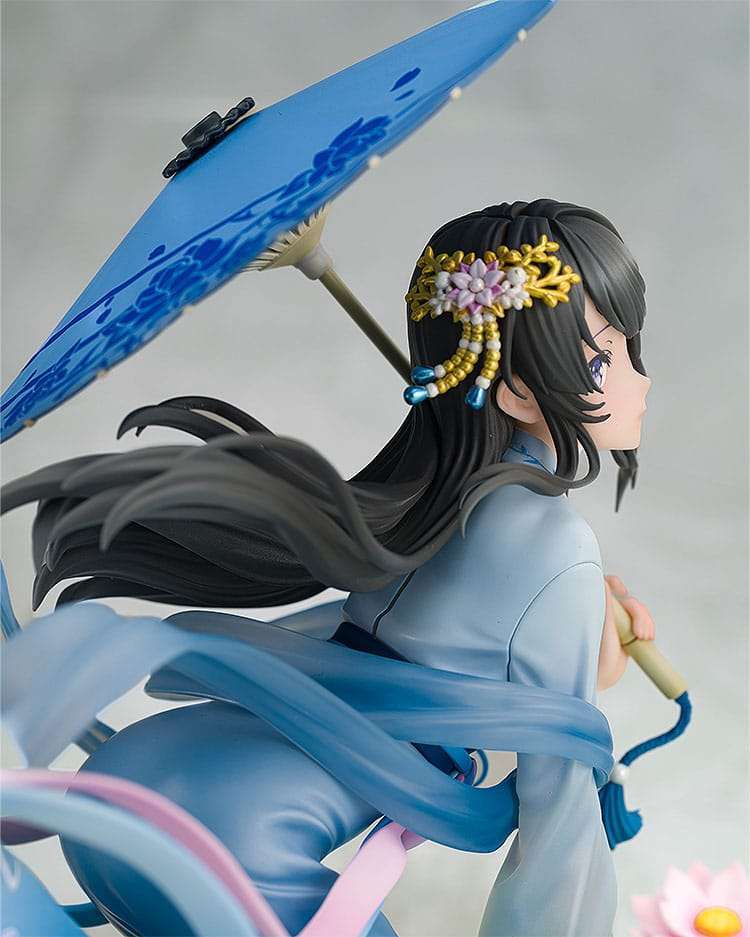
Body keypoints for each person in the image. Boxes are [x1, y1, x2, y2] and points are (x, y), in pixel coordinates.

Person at [1, 199, 656, 936]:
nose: (641, 379)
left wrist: (587, 627)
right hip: (227, 849)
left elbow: (468, 670)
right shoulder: (553, 544)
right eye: (604, 358)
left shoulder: (418, 495)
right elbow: (558, 779)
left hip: (130, 780)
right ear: (518, 391)